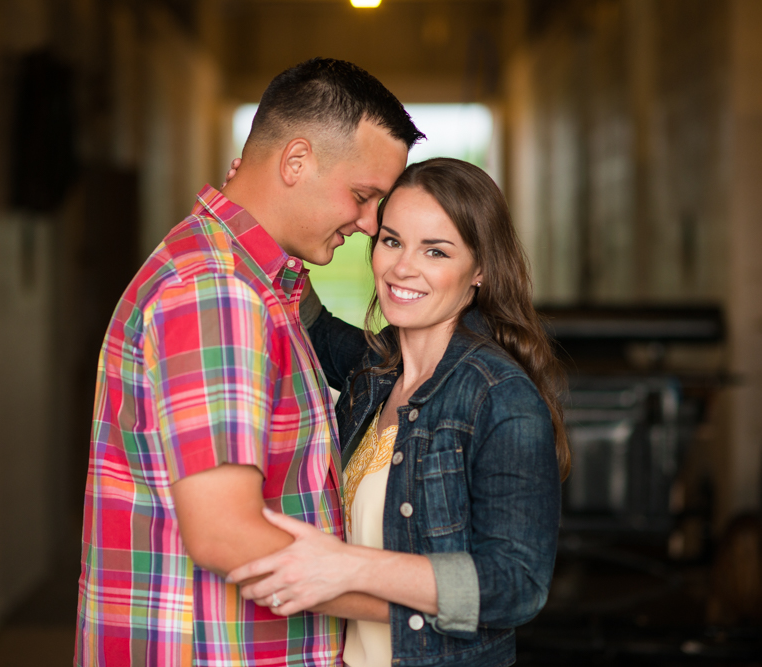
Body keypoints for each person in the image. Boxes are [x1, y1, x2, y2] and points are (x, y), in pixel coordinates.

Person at [75, 58, 424, 667]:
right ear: (295, 162)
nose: (372, 225)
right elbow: (225, 534)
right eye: (364, 196)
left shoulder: (248, 279)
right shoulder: (218, 291)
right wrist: (422, 608)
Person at [226, 158, 571, 667]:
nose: (402, 267)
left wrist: (349, 566)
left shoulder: (500, 398)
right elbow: (307, 316)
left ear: (480, 269)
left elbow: (516, 585)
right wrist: (263, 203)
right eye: (391, 241)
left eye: (435, 250)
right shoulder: (377, 368)